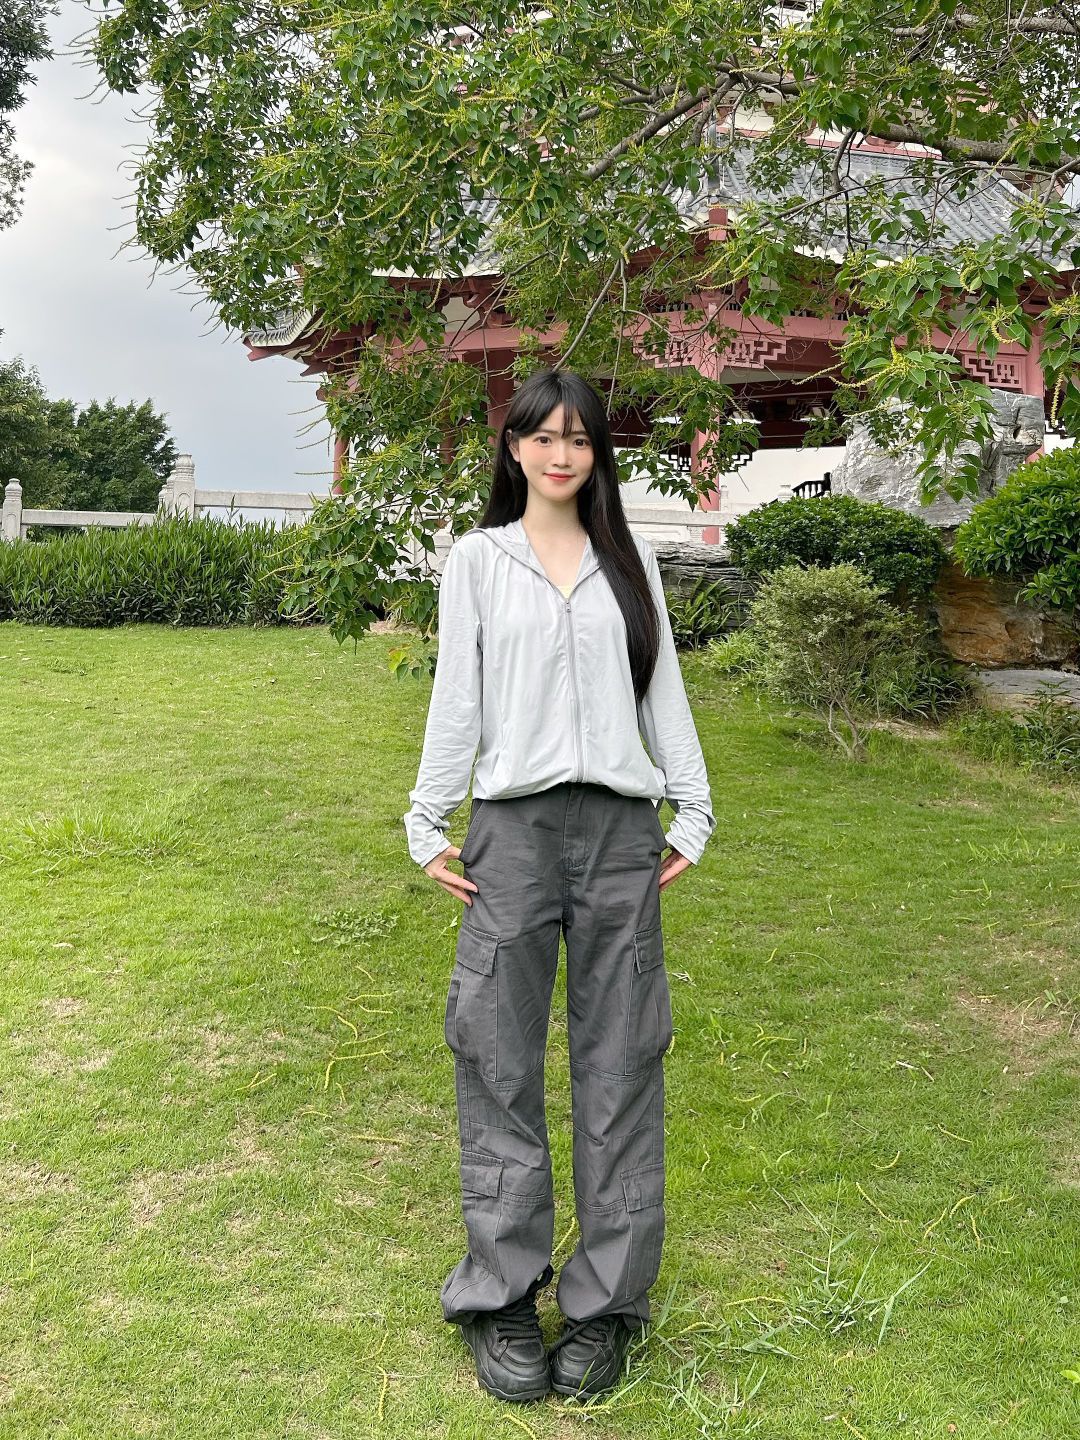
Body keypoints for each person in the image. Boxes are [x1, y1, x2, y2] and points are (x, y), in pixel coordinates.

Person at [403, 366, 716, 1404]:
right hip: (513, 832)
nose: (561, 454)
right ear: (514, 448)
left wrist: (692, 806)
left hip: (621, 832)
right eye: (543, 436)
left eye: (580, 439)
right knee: (495, 1053)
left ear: (598, 455)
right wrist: (427, 818)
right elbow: (458, 695)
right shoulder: (478, 560)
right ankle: (500, 1293)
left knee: (623, 1059)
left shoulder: (629, 561)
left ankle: (606, 1306)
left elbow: (662, 688)